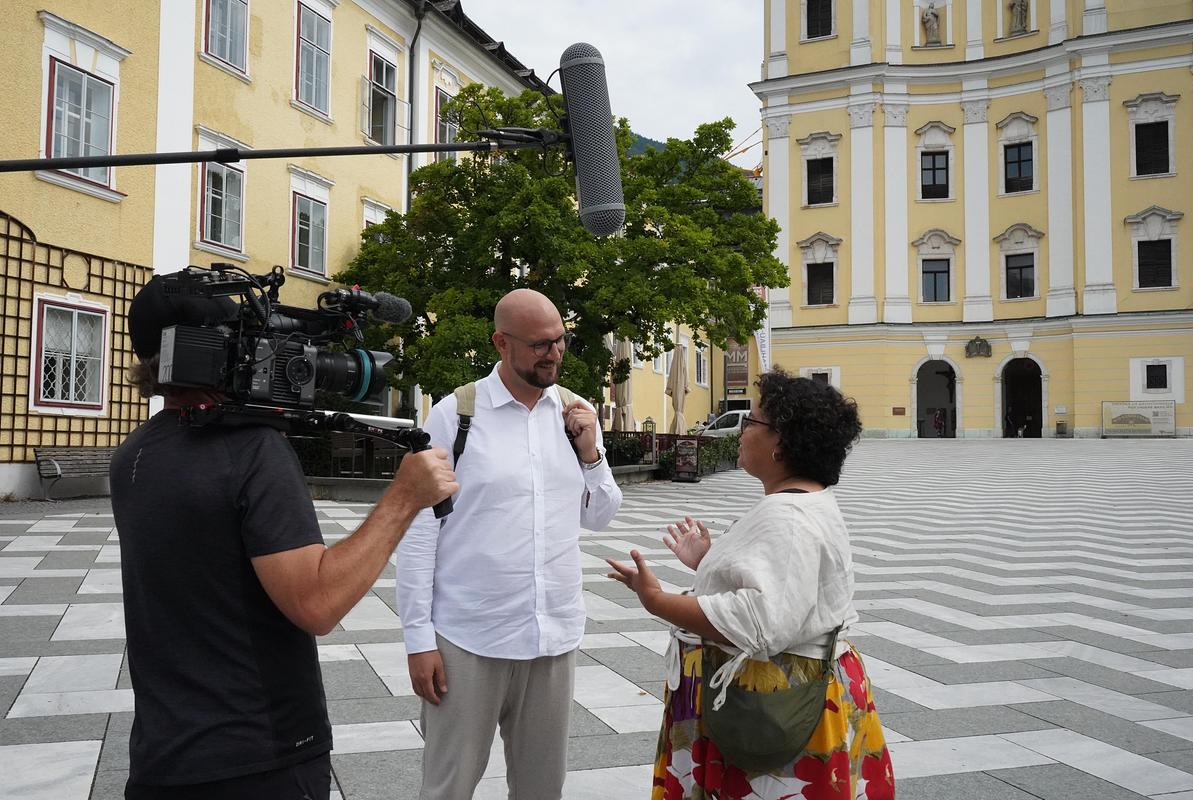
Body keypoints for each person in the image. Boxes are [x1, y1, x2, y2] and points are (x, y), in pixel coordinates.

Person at [111, 276, 458, 800]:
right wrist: (404, 497)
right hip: (259, 760)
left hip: (164, 758)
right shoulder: (251, 451)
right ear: (212, 350)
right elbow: (316, 603)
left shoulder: (133, 455)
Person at [607, 370, 894, 800]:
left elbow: (760, 624)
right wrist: (710, 564)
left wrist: (656, 600)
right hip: (773, 699)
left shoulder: (789, 517)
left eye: (751, 421)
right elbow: (784, 591)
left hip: (767, 705)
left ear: (782, 440)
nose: (740, 430)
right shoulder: (801, 504)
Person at [396, 289, 623, 799]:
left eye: (560, 341)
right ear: (501, 342)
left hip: (553, 636)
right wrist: (418, 639)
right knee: (448, 787)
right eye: (541, 344)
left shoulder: (572, 413)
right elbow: (418, 529)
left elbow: (601, 516)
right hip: (469, 636)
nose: (555, 353)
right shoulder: (456, 415)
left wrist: (591, 456)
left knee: (542, 789)